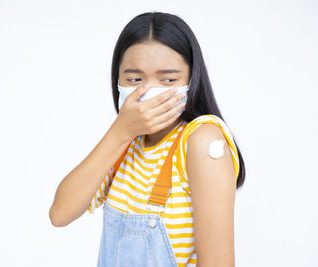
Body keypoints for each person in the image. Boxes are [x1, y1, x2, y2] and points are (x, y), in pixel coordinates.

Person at [49, 11, 246, 267]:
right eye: (134, 79)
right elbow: (60, 214)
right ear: (117, 80)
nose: (149, 90)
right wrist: (120, 132)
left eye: (168, 79)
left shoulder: (201, 140)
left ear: (192, 78)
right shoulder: (124, 146)